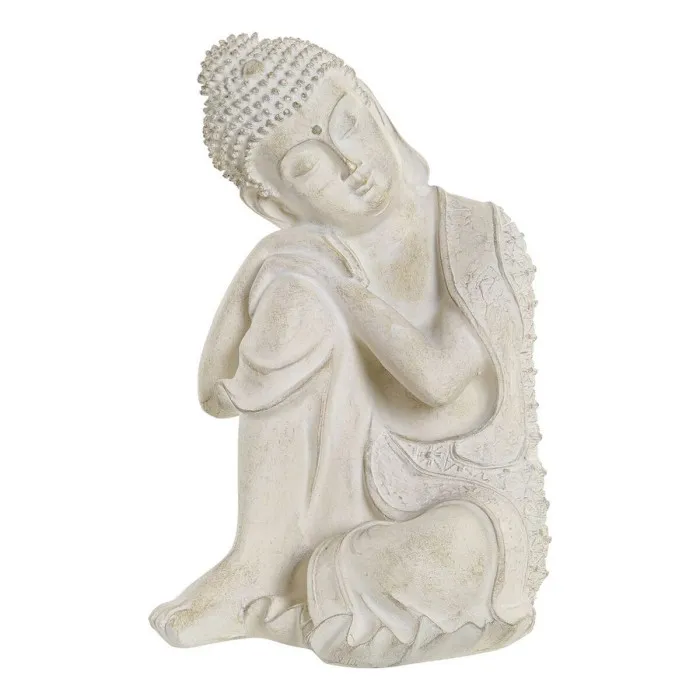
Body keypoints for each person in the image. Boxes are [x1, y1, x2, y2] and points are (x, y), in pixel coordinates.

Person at [150, 34, 548, 667]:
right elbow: (221, 389)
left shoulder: (481, 233)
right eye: (309, 167)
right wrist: (285, 265)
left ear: (375, 110)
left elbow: (440, 379)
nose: (350, 164)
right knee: (296, 291)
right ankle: (258, 567)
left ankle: (307, 594)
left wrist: (347, 291)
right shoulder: (302, 264)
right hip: (346, 487)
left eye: (349, 125)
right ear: (273, 201)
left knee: (444, 557)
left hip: (470, 504)